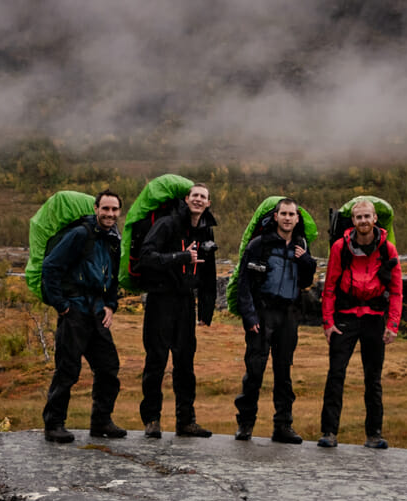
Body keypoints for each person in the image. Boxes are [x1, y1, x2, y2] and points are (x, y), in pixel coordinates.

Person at [39, 188, 126, 443]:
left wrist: (111, 305)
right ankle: (54, 424)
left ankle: (101, 422)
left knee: (109, 367)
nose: (110, 214)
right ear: (96, 209)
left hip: (98, 311)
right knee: (67, 369)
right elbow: (50, 267)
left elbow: (111, 277)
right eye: (105, 209)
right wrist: (62, 305)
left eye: (114, 209)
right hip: (75, 309)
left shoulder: (113, 239)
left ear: (119, 212)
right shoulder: (80, 234)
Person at [318, 197, 401, 450]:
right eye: (359, 217)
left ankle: (374, 435)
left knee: (373, 379)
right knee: (336, 375)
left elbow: (397, 290)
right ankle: (329, 433)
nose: (363, 221)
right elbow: (329, 287)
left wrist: (393, 324)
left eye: (367, 216)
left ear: (375, 219)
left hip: (374, 318)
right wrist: (328, 323)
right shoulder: (340, 248)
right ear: (352, 221)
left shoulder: (388, 249)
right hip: (345, 317)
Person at [136, 182, 217, 438]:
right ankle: (152, 420)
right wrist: (179, 257)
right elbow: (145, 257)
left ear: (208, 203)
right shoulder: (167, 224)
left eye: (203, 197)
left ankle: (186, 421)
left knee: (185, 364)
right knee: (156, 361)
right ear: (186, 199)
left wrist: (206, 309)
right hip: (160, 300)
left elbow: (209, 273)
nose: (198, 200)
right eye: (195, 195)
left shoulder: (206, 231)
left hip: (185, 303)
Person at [234, 198, 315, 444]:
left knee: (284, 372)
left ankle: (283, 426)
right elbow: (244, 283)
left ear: (297, 219)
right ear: (276, 216)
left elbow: (307, 279)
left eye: (292, 214)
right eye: (284, 213)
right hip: (263, 312)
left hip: (289, 315)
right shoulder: (259, 244)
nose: (288, 218)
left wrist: (305, 261)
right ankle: (245, 425)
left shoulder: (301, 245)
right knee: (255, 370)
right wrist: (249, 316)